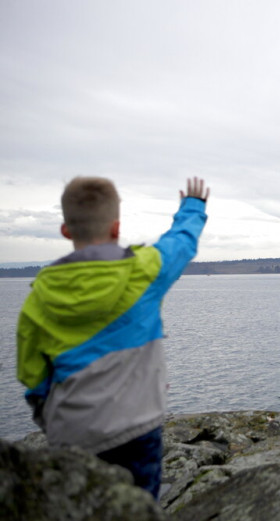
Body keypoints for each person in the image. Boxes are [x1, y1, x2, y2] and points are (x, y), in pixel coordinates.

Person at [16, 176, 210, 498]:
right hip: (137, 430)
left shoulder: (39, 297)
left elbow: (30, 373)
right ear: (117, 227)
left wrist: (49, 416)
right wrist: (193, 206)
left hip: (71, 432)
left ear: (66, 230)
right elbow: (181, 242)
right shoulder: (144, 270)